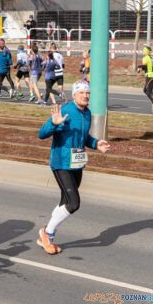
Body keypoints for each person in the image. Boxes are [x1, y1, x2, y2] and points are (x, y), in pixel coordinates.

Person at [37, 80, 110, 255]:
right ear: (74, 95)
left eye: (88, 93)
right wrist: (53, 124)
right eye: (82, 93)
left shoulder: (87, 113)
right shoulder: (65, 111)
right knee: (74, 203)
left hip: (77, 164)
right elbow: (42, 134)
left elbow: (84, 138)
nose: (86, 96)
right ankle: (47, 233)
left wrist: (96, 143)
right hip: (61, 164)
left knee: (65, 202)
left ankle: (46, 235)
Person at [137, 46, 153, 113]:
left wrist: (139, 68)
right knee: (146, 90)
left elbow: (145, 66)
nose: (142, 51)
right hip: (151, 76)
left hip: (149, 76)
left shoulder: (145, 58)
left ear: (146, 52)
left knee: (147, 91)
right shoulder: (151, 57)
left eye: (143, 50)